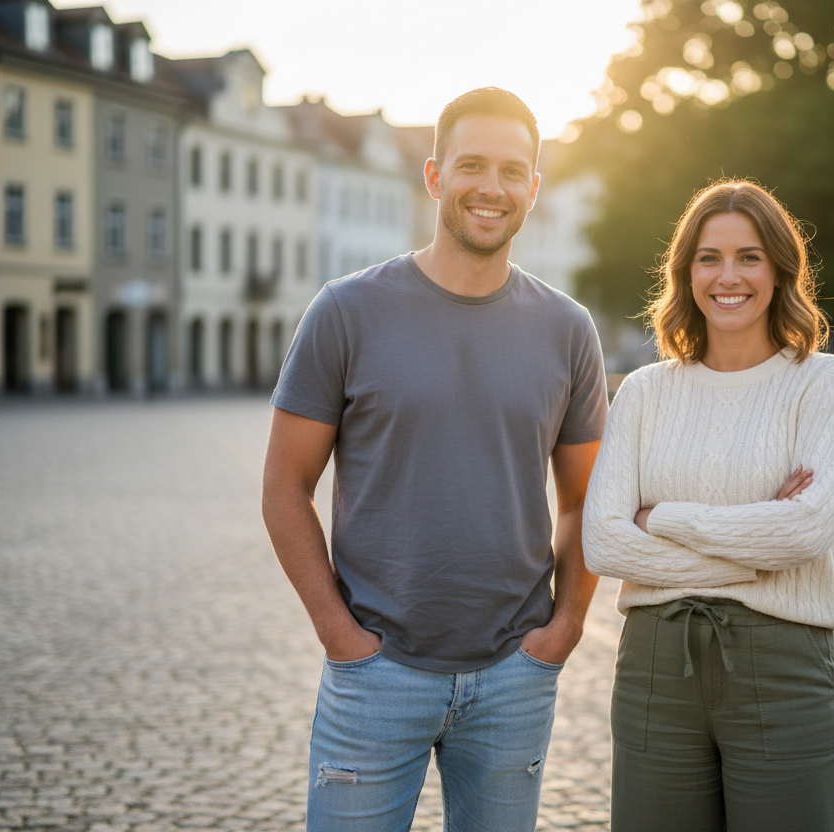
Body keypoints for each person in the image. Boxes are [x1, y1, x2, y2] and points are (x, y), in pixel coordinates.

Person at [262, 87, 608, 832]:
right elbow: (285, 487)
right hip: (376, 672)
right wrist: (339, 635)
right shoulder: (346, 311)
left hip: (514, 676)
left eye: (512, 171)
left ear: (533, 189)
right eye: (471, 165)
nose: (492, 187)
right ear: (434, 176)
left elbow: (587, 500)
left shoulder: (567, 328)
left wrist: (564, 631)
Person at [582, 179, 834, 831]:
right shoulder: (644, 392)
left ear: (779, 270)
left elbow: (805, 531)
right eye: (709, 258)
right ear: (686, 273)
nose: (727, 276)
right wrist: (754, 555)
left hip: (783, 666)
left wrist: (662, 519)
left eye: (749, 257)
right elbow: (603, 541)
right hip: (656, 666)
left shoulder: (825, 382)